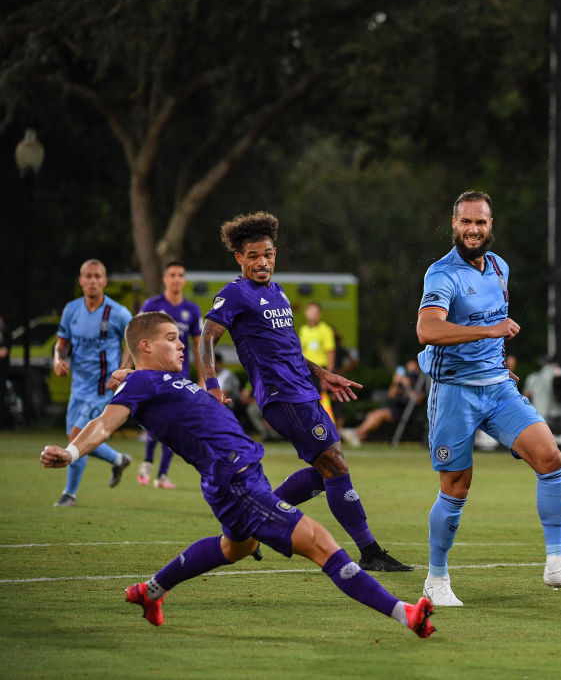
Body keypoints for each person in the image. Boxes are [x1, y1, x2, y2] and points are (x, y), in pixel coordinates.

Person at [39, 312, 435, 638]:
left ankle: (150, 591)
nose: (182, 345)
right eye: (172, 338)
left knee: (237, 548)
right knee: (321, 543)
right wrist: (72, 451)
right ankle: (405, 613)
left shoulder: (157, 380)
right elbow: (105, 423)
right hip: (235, 479)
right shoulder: (142, 382)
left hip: (241, 476)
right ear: (145, 346)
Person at [198, 212, 411, 572]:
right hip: (283, 397)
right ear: (239, 258)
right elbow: (205, 338)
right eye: (253, 256)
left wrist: (322, 373)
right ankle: (370, 552)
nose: (262, 262)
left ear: (275, 254)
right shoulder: (235, 294)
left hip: (304, 392)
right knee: (335, 465)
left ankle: (255, 519)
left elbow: (289, 349)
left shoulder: (277, 293)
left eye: (267, 254)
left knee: (324, 471)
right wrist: (213, 386)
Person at [416, 190, 561, 607]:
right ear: (454, 224)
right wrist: (490, 332)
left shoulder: (499, 267)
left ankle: (556, 564)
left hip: (497, 387)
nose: (473, 230)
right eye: (466, 222)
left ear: (490, 225)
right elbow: (428, 331)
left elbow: (487, 323)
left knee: (550, 457)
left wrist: (497, 361)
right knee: (456, 486)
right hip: (455, 391)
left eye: (480, 222)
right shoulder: (442, 274)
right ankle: (436, 579)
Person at [51, 259, 134, 507]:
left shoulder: (117, 312)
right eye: (88, 276)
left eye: (97, 276)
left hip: (102, 389)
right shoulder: (71, 310)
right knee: (74, 437)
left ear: (104, 281)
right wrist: (57, 359)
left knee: (76, 437)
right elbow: (62, 344)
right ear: (81, 280)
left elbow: (133, 342)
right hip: (78, 387)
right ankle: (118, 459)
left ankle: (69, 494)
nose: (93, 281)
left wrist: (122, 370)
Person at [137, 261, 202, 489]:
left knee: (171, 425)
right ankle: (147, 462)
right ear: (165, 278)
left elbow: (198, 345)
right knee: (158, 421)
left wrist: (204, 378)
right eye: (172, 274)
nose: (176, 279)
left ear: (184, 280)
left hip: (179, 377)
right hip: (154, 374)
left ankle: (161, 474)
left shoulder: (192, 310)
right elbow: (137, 338)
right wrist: (130, 367)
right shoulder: (152, 305)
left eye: (180, 275)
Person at [341, 359, 426, 445]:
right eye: (409, 368)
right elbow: (391, 395)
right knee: (373, 414)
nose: (411, 371)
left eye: (413, 368)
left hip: (407, 412)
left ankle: (355, 433)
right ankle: (358, 436)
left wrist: (407, 387)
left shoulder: (420, 383)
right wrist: (395, 383)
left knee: (380, 414)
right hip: (394, 408)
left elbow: (418, 400)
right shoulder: (404, 380)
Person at [297, 301, 339, 431]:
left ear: (320, 314)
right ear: (305, 313)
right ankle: (310, 430)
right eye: (310, 311)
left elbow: (330, 353)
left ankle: (328, 429)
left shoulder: (325, 330)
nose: (312, 314)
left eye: (315, 312)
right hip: (304, 370)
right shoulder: (303, 330)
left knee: (321, 400)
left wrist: (329, 375)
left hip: (320, 370)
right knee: (305, 401)